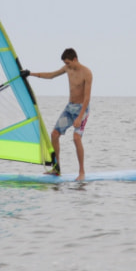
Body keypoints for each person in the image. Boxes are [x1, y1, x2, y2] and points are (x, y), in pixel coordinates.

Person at [28, 48, 92, 181]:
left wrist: (80, 117)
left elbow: (87, 98)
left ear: (75, 59)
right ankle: (56, 169)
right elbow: (51, 75)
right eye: (65, 63)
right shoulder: (67, 68)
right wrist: (30, 74)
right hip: (69, 108)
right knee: (54, 134)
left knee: (76, 138)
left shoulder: (87, 73)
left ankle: (82, 172)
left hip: (82, 110)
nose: (66, 65)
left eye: (68, 63)